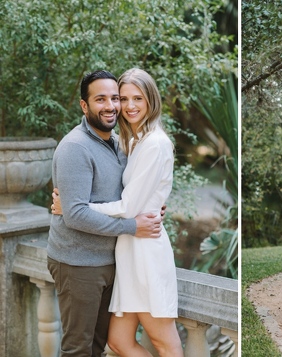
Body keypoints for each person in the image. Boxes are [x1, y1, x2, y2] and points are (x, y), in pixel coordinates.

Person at [53, 68, 182, 356]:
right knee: (109, 343)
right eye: (122, 98)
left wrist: (77, 207)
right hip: (104, 256)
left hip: (141, 252)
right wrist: (74, 208)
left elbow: (130, 205)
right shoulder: (118, 142)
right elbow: (123, 202)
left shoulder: (149, 143)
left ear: (152, 100)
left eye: (134, 98)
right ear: (85, 105)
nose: (124, 105)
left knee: (161, 342)